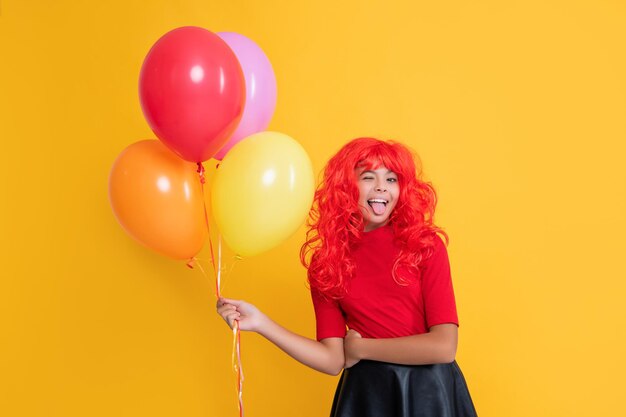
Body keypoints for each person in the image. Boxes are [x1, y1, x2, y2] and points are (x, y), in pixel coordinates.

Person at [217, 137, 478, 416]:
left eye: (391, 179)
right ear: (346, 187)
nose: (381, 187)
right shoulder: (327, 261)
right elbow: (332, 359)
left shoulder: (425, 246)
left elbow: (444, 347)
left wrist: (363, 348)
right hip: (369, 396)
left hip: (429, 393)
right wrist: (261, 323)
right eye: (368, 177)